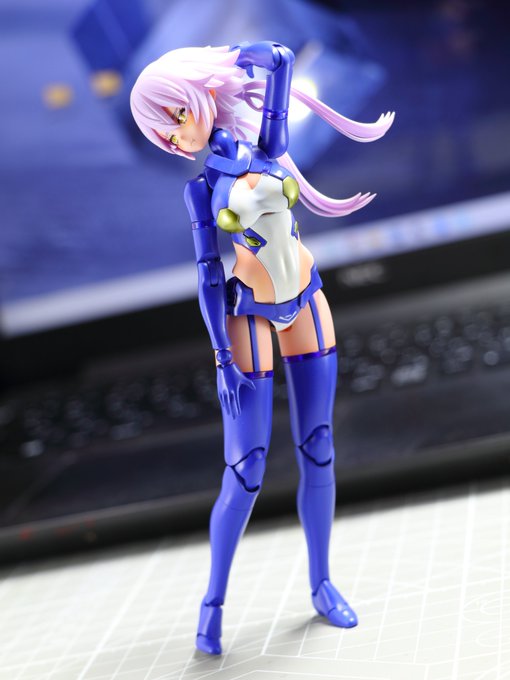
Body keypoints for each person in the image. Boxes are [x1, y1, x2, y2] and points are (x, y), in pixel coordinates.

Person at [131, 41, 394, 655]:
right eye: (162, 130)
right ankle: (213, 604)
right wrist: (221, 357)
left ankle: (322, 584)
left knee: (319, 448)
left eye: (175, 115)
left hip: (306, 298)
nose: (175, 135)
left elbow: (280, 64)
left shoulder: (268, 148)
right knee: (245, 470)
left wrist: (251, 54)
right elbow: (207, 277)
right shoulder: (201, 190)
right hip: (247, 313)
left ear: (200, 97)